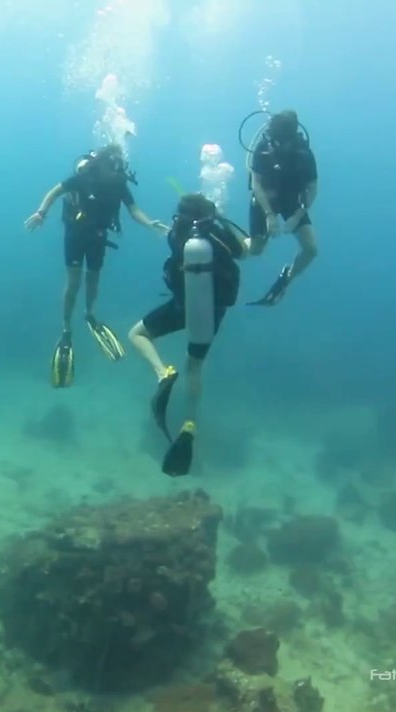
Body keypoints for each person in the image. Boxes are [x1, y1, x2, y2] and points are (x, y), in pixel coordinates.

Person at [126, 193, 252, 477]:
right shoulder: (218, 234)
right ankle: (190, 423)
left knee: (138, 334)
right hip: (212, 312)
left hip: (183, 305)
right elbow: (245, 251)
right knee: (194, 365)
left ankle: (161, 373)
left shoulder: (176, 234)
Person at [24, 143, 168, 388]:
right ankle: (66, 327)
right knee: (73, 281)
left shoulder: (120, 184)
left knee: (93, 278)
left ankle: (89, 314)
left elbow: (133, 210)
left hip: (98, 235)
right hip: (76, 233)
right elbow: (55, 191)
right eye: (116, 162)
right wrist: (41, 213)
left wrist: (149, 223)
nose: (119, 167)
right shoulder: (84, 177)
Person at [247, 109, 318, 306]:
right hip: (264, 198)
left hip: (291, 201)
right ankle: (235, 243)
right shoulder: (263, 147)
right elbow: (256, 184)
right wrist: (269, 215)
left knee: (311, 249)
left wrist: (298, 215)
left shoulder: (303, 153)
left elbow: (312, 187)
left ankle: (287, 277)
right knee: (256, 250)